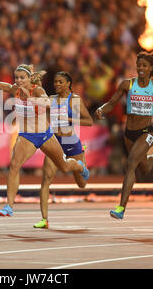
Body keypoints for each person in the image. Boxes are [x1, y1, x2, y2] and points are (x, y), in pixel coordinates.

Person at [0, 64, 89, 217]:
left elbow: (47, 103)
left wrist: (30, 97)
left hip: (45, 135)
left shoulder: (37, 90)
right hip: (27, 136)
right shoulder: (15, 89)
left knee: (64, 167)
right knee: (14, 165)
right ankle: (9, 206)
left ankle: (79, 166)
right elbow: (3, 85)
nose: (18, 80)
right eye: (16, 77)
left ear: (29, 78)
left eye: (22, 77)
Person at [95, 50, 153, 219]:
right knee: (143, 168)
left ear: (152, 68)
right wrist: (101, 109)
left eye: (144, 65)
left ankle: (121, 208)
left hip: (147, 132)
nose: (141, 68)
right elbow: (111, 103)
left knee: (130, 164)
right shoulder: (127, 84)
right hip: (129, 132)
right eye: (138, 65)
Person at [34, 71, 93, 229]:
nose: (57, 84)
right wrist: (36, 80)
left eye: (60, 82)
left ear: (68, 84)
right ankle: (44, 219)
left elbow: (89, 121)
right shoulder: (51, 99)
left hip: (71, 142)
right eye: (55, 82)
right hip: (55, 142)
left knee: (81, 184)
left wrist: (70, 119)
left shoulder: (74, 100)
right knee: (46, 178)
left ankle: (80, 164)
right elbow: (38, 93)